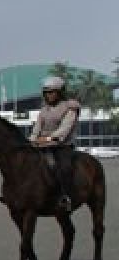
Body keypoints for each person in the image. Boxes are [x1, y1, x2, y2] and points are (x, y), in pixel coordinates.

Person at [30, 75, 80, 211]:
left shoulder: (70, 108)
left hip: (63, 147)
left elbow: (63, 131)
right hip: (42, 146)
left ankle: (65, 197)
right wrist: (32, 139)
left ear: (60, 92)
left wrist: (46, 139)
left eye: (51, 92)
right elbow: (36, 128)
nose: (48, 95)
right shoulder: (44, 109)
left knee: (62, 167)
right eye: (46, 93)